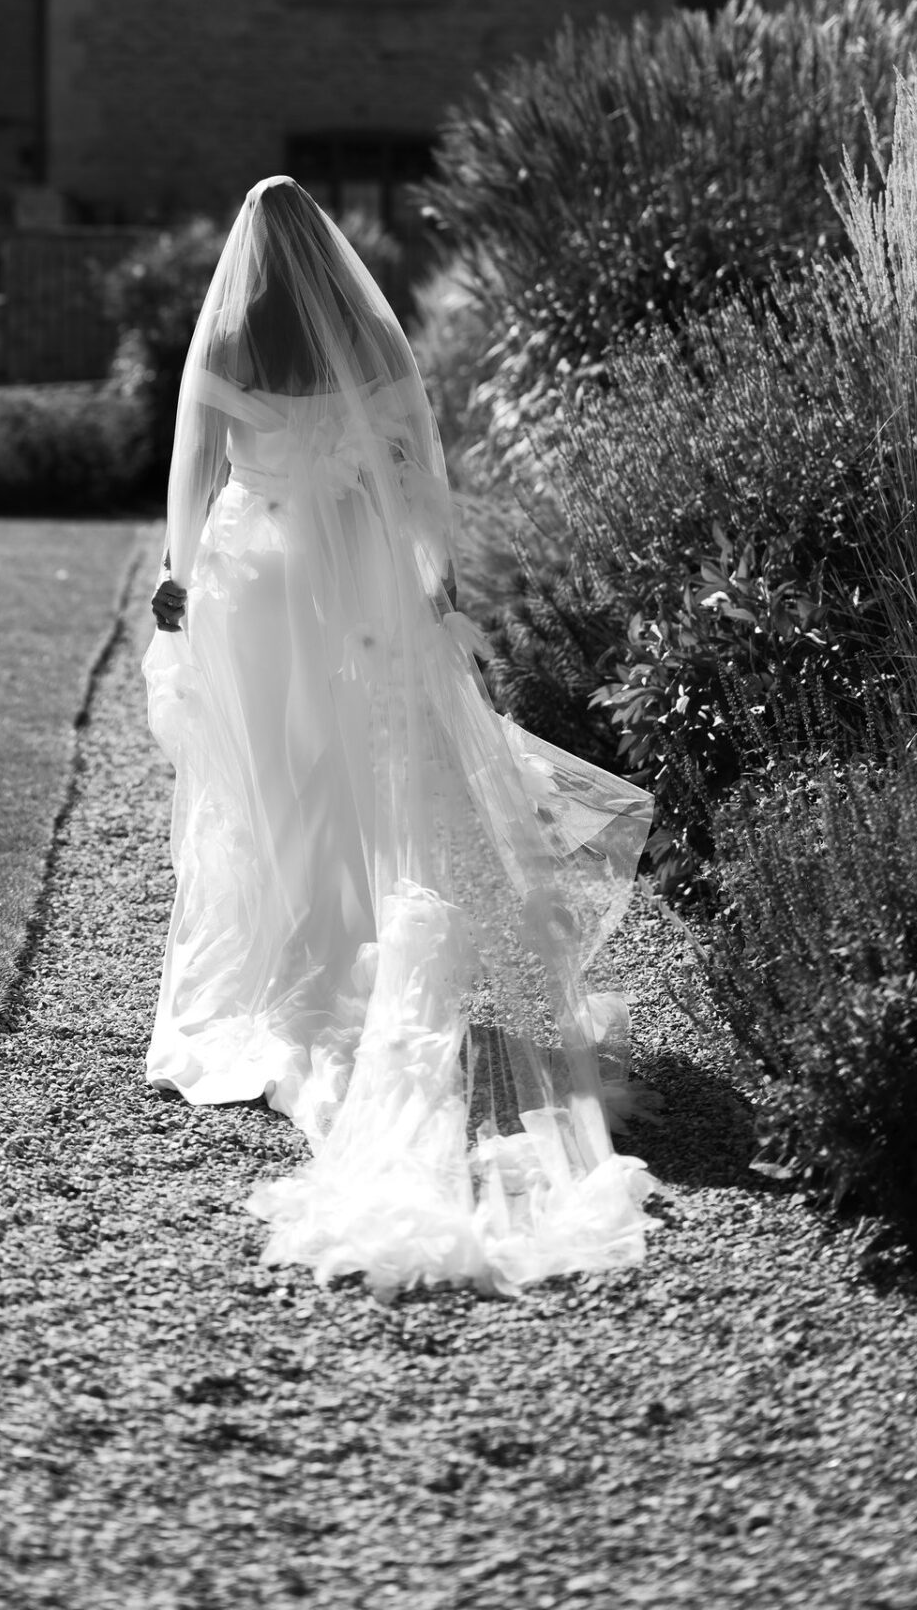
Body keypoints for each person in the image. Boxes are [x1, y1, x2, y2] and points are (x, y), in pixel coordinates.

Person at [145, 176, 655, 1296]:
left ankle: (296, 968)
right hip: (361, 574)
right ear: (326, 254)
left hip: (257, 579)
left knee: (275, 782)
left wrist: (177, 576)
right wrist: (430, 573)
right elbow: (418, 462)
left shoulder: (228, 337)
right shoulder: (372, 337)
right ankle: (359, 965)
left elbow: (194, 471)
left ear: (248, 257)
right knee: (366, 770)